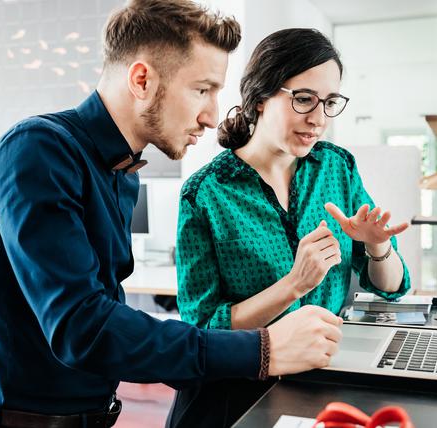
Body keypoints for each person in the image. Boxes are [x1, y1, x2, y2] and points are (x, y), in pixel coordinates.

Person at [0, 1, 345, 427]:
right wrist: (263, 349)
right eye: (203, 90)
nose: (212, 115)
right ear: (142, 79)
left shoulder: (121, 172)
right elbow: (82, 327)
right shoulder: (37, 152)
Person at [168, 28, 413, 427]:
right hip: (238, 394)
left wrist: (377, 248)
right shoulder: (205, 194)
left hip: (322, 382)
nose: (318, 119)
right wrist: (294, 285)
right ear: (261, 96)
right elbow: (203, 329)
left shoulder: (337, 167)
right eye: (303, 99)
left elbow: (392, 286)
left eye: (330, 102)